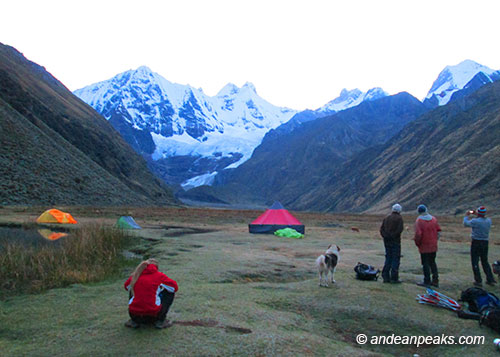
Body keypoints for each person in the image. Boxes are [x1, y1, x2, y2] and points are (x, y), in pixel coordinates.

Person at [124, 258, 178, 329]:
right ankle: (160, 320)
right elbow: (174, 288)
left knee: (133, 288)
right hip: (153, 316)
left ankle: (134, 322)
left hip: (135, 315)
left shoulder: (135, 276)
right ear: (156, 267)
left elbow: (126, 287)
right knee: (169, 293)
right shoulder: (159, 276)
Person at [464, 206, 496, 287]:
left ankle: (478, 280)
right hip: (485, 242)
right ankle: (490, 279)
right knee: (485, 261)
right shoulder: (489, 221)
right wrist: (477, 214)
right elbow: (482, 218)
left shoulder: (475, 221)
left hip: (476, 242)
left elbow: (466, 224)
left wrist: (466, 216)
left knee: (475, 261)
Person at [414, 205, 441, 288]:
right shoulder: (434, 219)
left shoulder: (419, 220)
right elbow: (438, 231)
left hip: (424, 245)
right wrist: (435, 240)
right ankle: (435, 280)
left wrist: (417, 243)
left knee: (425, 263)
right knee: (432, 262)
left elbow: (418, 234)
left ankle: (427, 280)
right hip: (433, 245)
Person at [380, 203, 404, 283]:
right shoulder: (399, 219)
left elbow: (381, 229)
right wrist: (393, 236)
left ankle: (385, 276)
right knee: (395, 258)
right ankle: (394, 277)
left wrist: (385, 236)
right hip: (395, 241)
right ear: (399, 210)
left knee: (388, 257)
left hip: (387, 241)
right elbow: (399, 229)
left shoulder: (386, 218)